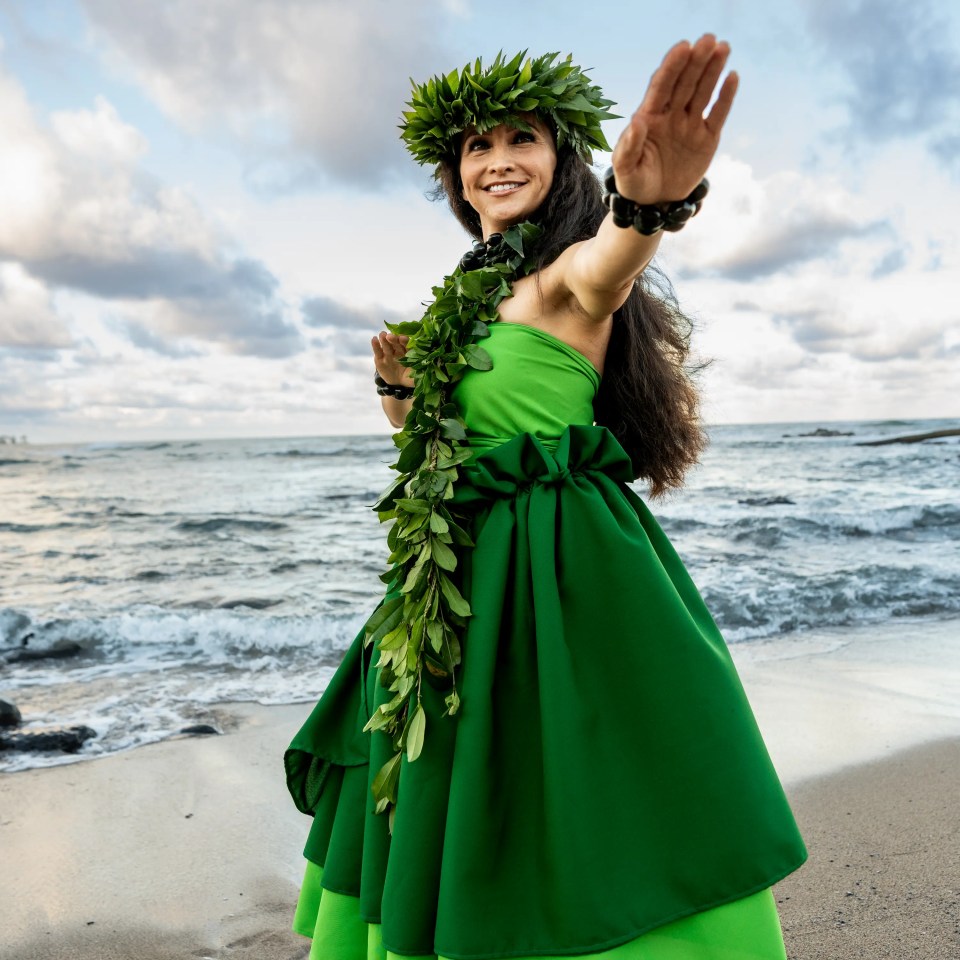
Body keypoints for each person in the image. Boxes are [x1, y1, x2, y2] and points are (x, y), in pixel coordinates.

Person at [285, 35, 807, 960]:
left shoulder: (563, 281)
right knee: (457, 784)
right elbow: (434, 459)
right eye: (477, 148)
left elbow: (613, 263)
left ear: (560, 158)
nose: (497, 161)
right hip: (454, 581)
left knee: (577, 776)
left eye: (521, 139)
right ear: (457, 175)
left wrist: (651, 202)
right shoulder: (459, 307)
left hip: (562, 575)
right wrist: (402, 396)